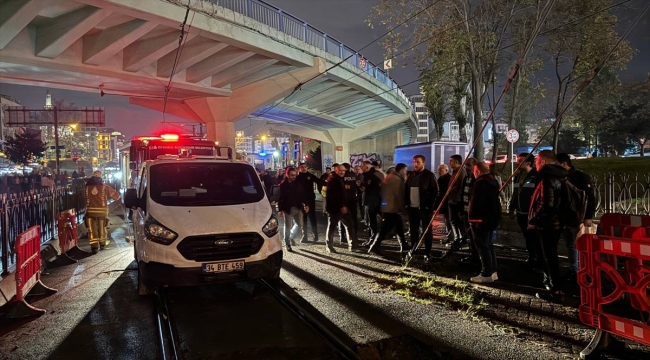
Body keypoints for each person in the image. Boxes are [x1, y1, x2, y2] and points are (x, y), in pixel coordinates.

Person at [528, 150, 569, 302]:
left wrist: (534, 218)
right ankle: (552, 286)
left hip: (547, 225)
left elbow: (547, 204)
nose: (535, 164)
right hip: (555, 223)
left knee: (548, 258)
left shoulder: (548, 178)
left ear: (543, 162)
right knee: (549, 257)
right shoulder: (561, 176)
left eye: (537, 161)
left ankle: (555, 290)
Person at [556, 153, 596, 283]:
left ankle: (586, 270)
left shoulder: (581, 177)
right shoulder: (560, 177)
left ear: (564, 164)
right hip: (565, 217)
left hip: (578, 217)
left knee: (582, 245)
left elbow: (591, 198)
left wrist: (588, 216)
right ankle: (574, 269)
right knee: (570, 244)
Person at [468, 162, 502, 283]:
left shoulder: (480, 184)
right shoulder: (493, 182)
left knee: (483, 247)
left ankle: (486, 273)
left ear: (477, 171)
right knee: (489, 246)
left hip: (480, 220)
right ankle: (493, 271)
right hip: (491, 219)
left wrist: (471, 218)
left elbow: (476, 203)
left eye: (474, 171)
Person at [368, 163, 409, 255]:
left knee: (399, 227)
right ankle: (375, 246)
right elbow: (399, 196)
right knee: (385, 229)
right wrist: (403, 210)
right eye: (405, 170)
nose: (406, 172)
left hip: (387, 207)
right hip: (392, 208)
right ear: (401, 170)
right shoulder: (397, 180)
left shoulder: (390, 176)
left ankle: (404, 245)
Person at [405, 155, 439, 261]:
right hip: (413, 208)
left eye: (418, 162)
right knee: (414, 230)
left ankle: (427, 252)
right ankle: (414, 249)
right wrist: (407, 204)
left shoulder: (429, 175)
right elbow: (406, 190)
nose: (415, 164)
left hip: (424, 208)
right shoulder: (411, 175)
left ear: (423, 163)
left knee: (427, 231)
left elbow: (435, 192)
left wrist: (430, 206)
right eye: (414, 162)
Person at [508, 153, 539, 269]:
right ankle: (531, 257)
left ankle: (537, 260)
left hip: (531, 214)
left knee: (534, 237)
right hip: (520, 213)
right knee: (527, 237)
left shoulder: (535, 176)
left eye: (520, 160)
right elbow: (515, 193)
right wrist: (512, 208)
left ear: (528, 163)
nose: (517, 163)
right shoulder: (518, 176)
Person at [85, 170, 120, 254]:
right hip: (102, 212)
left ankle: (94, 247)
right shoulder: (105, 187)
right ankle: (102, 244)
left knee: (92, 230)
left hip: (90, 212)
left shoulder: (87, 188)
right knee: (102, 228)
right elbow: (116, 197)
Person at [325, 164, 359, 252]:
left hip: (342, 207)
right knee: (332, 227)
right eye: (340, 170)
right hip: (335, 209)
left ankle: (352, 244)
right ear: (336, 170)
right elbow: (334, 196)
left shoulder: (338, 179)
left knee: (349, 225)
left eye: (344, 171)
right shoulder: (333, 180)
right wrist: (342, 206)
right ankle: (329, 245)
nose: (342, 172)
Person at [277, 167, 309, 252]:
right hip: (288, 208)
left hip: (298, 207)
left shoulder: (298, 183)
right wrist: (280, 210)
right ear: (287, 175)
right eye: (292, 175)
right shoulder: (283, 185)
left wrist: (306, 204)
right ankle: (287, 242)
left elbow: (302, 194)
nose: (294, 177)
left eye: (295, 175)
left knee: (300, 224)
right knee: (287, 226)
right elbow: (280, 198)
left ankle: (291, 236)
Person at [297, 163, 325, 243]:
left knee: (312, 217)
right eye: (302, 167)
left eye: (305, 167)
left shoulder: (310, 176)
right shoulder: (297, 177)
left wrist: (327, 182)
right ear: (299, 168)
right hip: (301, 200)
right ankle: (304, 236)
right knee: (303, 219)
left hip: (310, 199)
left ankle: (315, 234)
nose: (304, 168)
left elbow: (319, 181)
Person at [360, 161, 382, 242]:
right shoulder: (368, 176)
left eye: (363, 166)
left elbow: (376, 189)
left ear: (367, 168)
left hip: (371, 202)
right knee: (371, 221)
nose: (361, 168)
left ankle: (373, 239)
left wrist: (365, 189)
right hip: (371, 201)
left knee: (371, 221)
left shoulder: (371, 177)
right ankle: (372, 238)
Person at [447, 155, 466, 244]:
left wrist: (455, 193)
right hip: (452, 199)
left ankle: (462, 237)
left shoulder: (461, 172)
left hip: (456, 200)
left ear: (456, 162)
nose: (450, 163)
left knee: (457, 220)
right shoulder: (455, 172)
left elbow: (461, 186)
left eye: (451, 161)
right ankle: (457, 237)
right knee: (453, 220)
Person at [340, 163, 359, 243]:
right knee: (354, 218)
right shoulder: (354, 175)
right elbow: (357, 186)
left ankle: (342, 236)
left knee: (343, 219)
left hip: (344, 200)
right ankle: (355, 236)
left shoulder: (341, 176)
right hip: (353, 199)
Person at [436, 164, 452, 243]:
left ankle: (450, 236)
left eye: (441, 170)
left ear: (446, 170)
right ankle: (449, 235)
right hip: (443, 202)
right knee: (446, 220)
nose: (439, 171)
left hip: (447, 202)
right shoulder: (440, 179)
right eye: (439, 170)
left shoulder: (448, 179)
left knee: (449, 220)